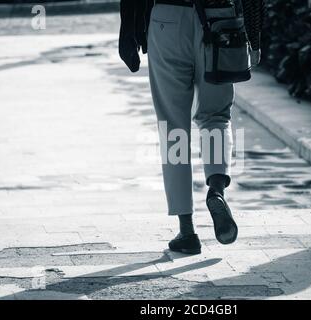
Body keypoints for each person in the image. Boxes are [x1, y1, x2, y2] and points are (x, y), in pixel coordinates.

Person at [119, 0, 264, 255]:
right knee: (216, 115)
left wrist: (128, 31)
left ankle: (187, 230)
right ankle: (216, 190)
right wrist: (254, 36)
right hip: (220, 19)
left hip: (167, 18)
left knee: (173, 128)